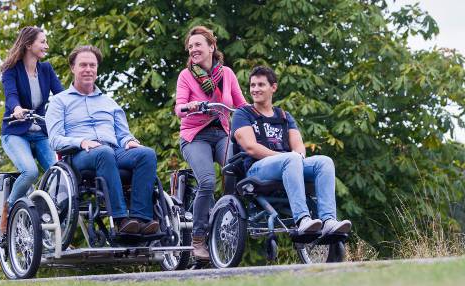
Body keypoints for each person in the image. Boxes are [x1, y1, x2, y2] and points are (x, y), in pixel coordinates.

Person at [45, 45, 159, 235]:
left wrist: (129, 141)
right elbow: (55, 140)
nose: (88, 69)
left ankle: (141, 219)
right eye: (83, 65)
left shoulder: (109, 102)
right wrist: (81, 142)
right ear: (73, 68)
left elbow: (123, 134)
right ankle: (121, 219)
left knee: (146, 154)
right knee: (103, 153)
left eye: (92, 65)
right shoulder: (59, 101)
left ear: (97, 69)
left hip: (113, 151)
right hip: (80, 156)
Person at [231, 65, 351, 235]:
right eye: (252, 85)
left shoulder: (284, 117)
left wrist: (294, 158)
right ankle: (302, 219)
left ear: (273, 87)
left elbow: (299, 148)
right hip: (257, 169)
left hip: (289, 165)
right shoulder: (243, 114)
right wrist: (287, 158)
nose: (255, 89)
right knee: (292, 159)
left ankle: (329, 220)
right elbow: (250, 147)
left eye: (261, 85)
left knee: (324, 162)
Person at [174, 26, 248, 260]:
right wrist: (191, 106)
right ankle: (197, 239)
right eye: (191, 46)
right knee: (207, 181)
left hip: (223, 133)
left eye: (198, 45)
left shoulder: (226, 74)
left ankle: (225, 216)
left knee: (238, 171)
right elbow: (179, 108)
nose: (193, 49)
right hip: (195, 135)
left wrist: (259, 112)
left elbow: (241, 105)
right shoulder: (186, 76)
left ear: (211, 47)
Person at [0, 26, 64, 235]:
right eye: (42, 42)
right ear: (29, 45)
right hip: (16, 132)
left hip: (41, 132)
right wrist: (17, 109)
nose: (46, 45)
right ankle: (8, 209)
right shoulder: (11, 70)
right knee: (30, 171)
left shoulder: (46, 69)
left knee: (60, 173)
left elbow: (61, 96)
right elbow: (11, 95)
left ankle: (47, 216)